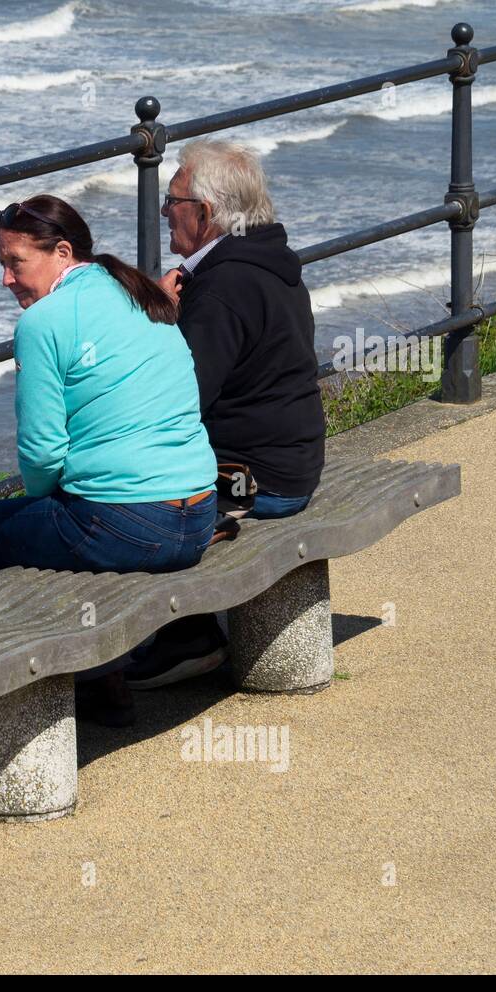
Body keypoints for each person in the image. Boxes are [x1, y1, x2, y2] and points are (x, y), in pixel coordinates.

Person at [0, 195, 218, 725]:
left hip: (131, 525)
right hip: (199, 513)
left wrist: (52, 505)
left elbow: (41, 455)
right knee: (64, 519)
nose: (6, 279)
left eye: (15, 262)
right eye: (1, 264)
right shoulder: (140, 294)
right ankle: (101, 685)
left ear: (63, 252)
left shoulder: (44, 322)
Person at [123, 138, 326, 691]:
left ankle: (185, 640)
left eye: (172, 201)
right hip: (293, 460)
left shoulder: (223, 288)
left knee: (129, 493)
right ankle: (185, 636)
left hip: (257, 480)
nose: (165, 212)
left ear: (205, 214)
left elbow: (179, 403)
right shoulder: (267, 261)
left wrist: (157, 325)